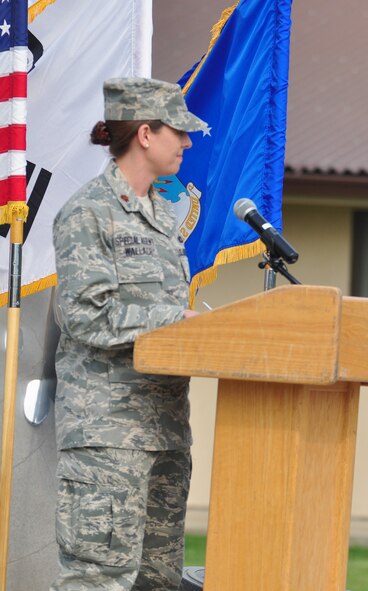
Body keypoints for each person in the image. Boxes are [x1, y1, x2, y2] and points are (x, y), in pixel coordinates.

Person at [50, 78, 207, 590]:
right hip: (107, 436)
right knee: (99, 580)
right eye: (177, 132)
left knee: (157, 582)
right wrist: (173, 320)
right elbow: (83, 314)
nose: (185, 143)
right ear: (145, 133)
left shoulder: (164, 216)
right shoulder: (88, 212)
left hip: (164, 429)